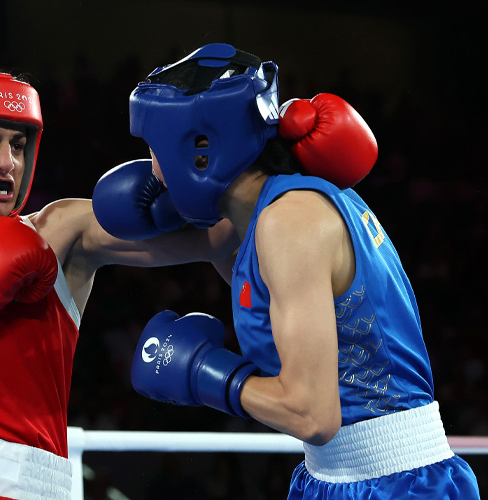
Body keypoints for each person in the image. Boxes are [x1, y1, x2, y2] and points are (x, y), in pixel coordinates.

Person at [93, 43, 481, 499]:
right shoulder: (266, 213)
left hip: (395, 482)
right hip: (335, 476)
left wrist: (202, 373)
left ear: (201, 150)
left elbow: (312, 416)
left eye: (155, 151)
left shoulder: (290, 221)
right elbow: (175, 246)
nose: (153, 170)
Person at [0, 68, 240, 499]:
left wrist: (249, 157)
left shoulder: (58, 231)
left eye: (18, 144)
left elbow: (217, 235)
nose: (7, 161)